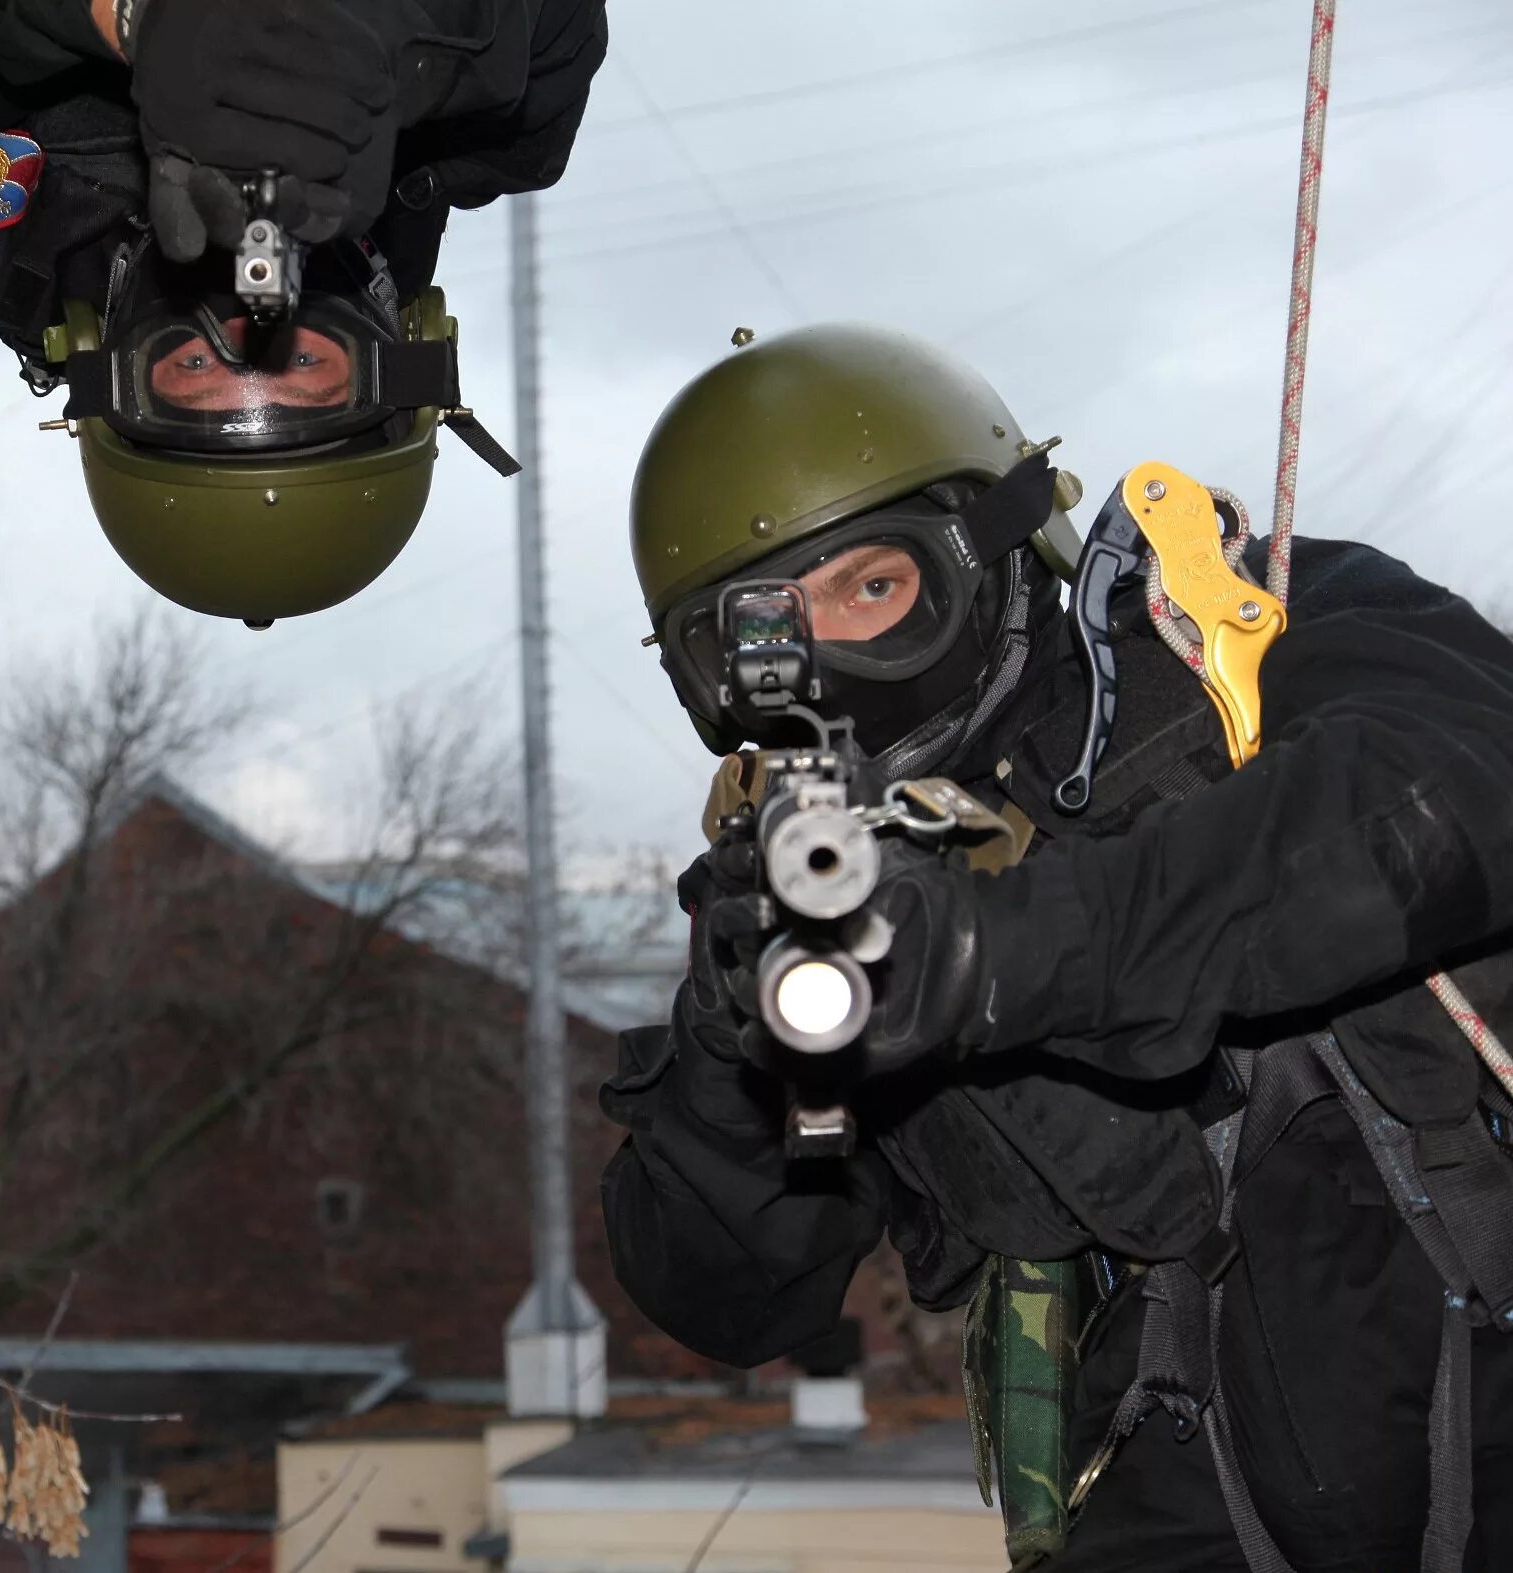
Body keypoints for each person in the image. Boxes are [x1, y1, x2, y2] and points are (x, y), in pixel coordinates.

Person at [598, 323, 1513, 1572]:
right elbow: (727, 1297)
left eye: (872, 588)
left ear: (990, 544)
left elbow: (1446, 800)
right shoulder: (794, 894)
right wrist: (731, 1051)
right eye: (761, 634)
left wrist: (981, 955)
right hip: (1168, 1467)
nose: (824, 661)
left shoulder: (1236, 632)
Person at [0, 0, 607, 625]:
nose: (247, 326)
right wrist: (380, 32)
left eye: (198, 366)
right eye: (302, 362)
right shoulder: (503, 126)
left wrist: (134, 17)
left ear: (109, 354)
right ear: (397, 336)